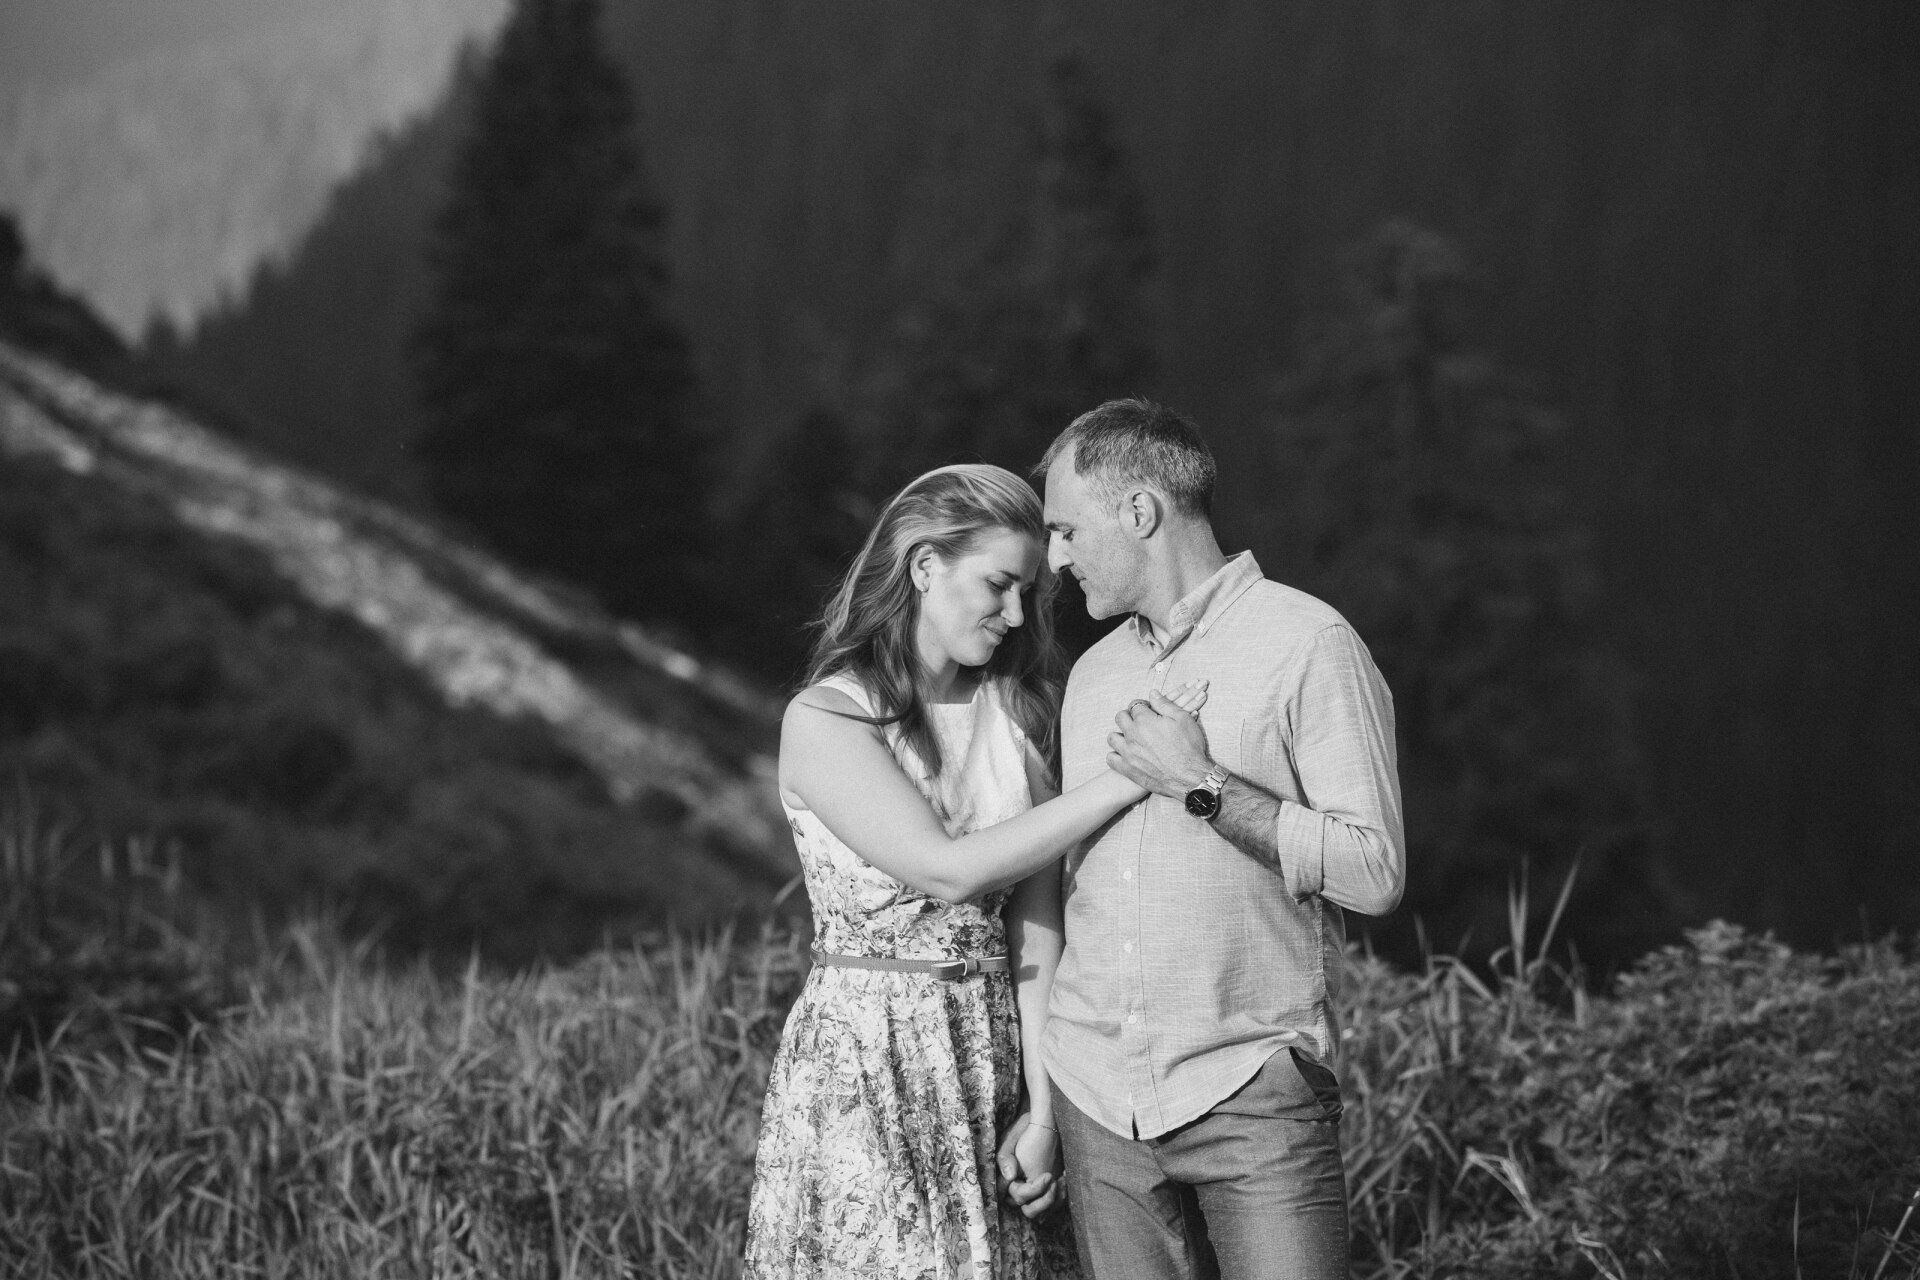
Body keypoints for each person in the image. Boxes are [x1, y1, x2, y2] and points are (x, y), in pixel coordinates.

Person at [743, 462, 1206, 1280]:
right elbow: (947, 872)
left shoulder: (1020, 712)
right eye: (998, 584)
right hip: (864, 1056)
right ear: (925, 566)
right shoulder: (825, 718)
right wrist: (1132, 776)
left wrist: (1045, 1108)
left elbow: (1035, 921)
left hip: (990, 1057)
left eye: (1029, 591)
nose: (1016, 613)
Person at [1003, 400, 1405, 1280]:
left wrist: (1204, 785)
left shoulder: (1309, 644)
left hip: (1251, 1093)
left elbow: (1374, 873)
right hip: (1097, 1100)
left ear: (1139, 512)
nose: (1056, 559)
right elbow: (1069, 885)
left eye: (1066, 529)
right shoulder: (1096, 674)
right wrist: (1047, 1109)